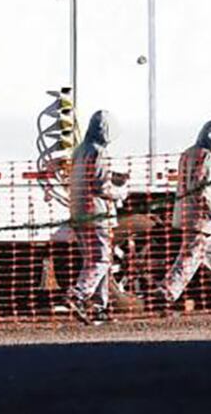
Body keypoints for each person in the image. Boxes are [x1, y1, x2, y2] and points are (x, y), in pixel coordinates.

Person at [154, 119, 211, 313]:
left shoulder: (188, 153)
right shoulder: (206, 156)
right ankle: (166, 293)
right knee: (190, 258)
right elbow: (204, 187)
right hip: (200, 217)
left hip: (184, 212)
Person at [66, 110, 129, 325]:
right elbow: (101, 186)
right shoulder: (99, 152)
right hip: (97, 213)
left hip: (78, 211)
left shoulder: (79, 150)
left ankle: (99, 308)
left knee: (95, 260)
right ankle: (79, 295)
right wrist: (121, 191)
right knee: (102, 259)